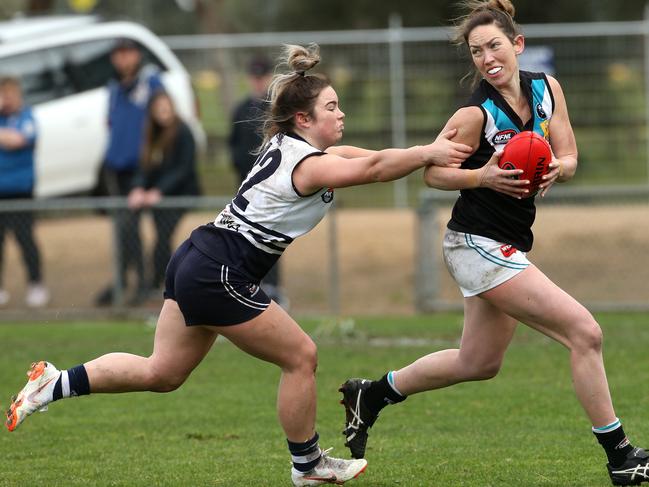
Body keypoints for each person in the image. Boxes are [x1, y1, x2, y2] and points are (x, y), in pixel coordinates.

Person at [5, 44, 473, 486]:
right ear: (303, 118)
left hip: (198, 258)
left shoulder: (307, 152)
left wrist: (425, 151)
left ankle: (56, 382)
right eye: (331, 107)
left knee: (162, 373)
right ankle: (307, 464)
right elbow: (371, 171)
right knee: (301, 357)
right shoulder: (307, 165)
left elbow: (374, 160)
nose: (341, 113)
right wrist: (427, 155)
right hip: (218, 270)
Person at [338, 2, 649, 485]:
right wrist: (481, 176)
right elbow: (434, 173)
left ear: (517, 44)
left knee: (478, 362)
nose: (486, 57)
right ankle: (621, 456)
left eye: (494, 45)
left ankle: (372, 394)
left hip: (508, 242)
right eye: (477, 51)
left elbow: (569, 156)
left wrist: (555, 169)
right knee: (585, 332)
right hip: (474, 243)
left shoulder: (548, 90)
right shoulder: (474, 113)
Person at [94, 38, 164, 306]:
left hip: (140, 169)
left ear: (137, 55)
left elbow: (162, 118)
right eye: (118, 54)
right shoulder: (113, 87)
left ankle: (144, 282)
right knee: (122, 230)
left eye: (128, 53)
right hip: (116, 169)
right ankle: (123, 280)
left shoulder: (150, 83)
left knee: (131, 228)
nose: (123, 59)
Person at [127, 91, 201, 298]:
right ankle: (148, 283)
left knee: (162, 239)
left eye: (166, 107)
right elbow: (145, 167)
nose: (163, 112)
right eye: (158, 109)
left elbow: (183, 169)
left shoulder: (183, 131)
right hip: (157, 197)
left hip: (179, 196)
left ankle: (162, 284)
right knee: (139, 232)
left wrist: (159, 191)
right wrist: (138, 188)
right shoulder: (152, 134)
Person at [228, 55, 288, 308]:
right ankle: (250, 284)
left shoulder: (276, 108)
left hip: (273, 185)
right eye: (254, 76)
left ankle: (273, 285)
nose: (257, 81)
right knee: (246, 235)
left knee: (272, 234)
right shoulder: (241, 109)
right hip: (247, 184)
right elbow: (233, 144)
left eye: (261, 76)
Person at [0, 76, 50, 308]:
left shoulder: (26, 117)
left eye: (10, 93)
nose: (6, 99)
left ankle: (36, 284)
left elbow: (19, 140)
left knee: (25, 239)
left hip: (20, 191)